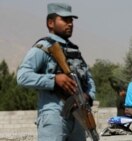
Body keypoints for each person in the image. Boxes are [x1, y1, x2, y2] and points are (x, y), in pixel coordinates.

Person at [16, 3, 96, 141]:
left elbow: (89, 80)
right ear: (50, 23)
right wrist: (54, 80)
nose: (70, 24)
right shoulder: (44, 47)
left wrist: (87, 96)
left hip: (78, 117)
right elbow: (22, 76)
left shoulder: (74, 50)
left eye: (71, 20)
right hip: (54, 116)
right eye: (65, 20)